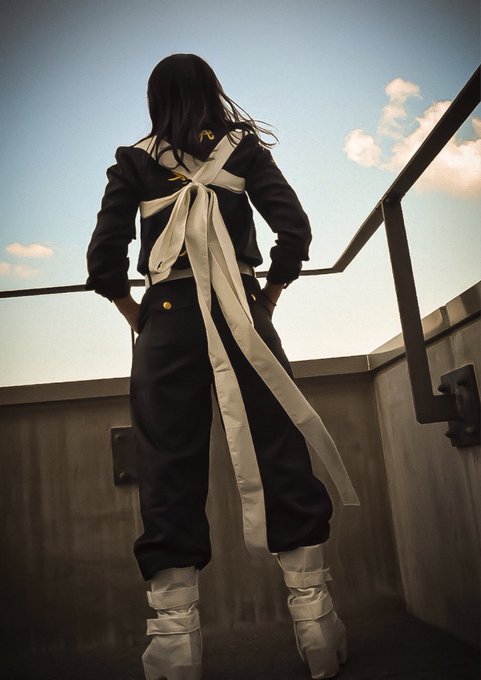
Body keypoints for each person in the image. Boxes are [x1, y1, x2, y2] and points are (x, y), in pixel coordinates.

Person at [86, 53, 360, 680]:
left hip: (166, 319)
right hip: (244, 314)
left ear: (155, 100)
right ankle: (316, 627)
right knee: (280, 451)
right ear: (212, 92)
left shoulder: (132, 161)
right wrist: (268, 297)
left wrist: (139, 315)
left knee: (167, 465)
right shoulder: (244, 149)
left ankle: (175, 646)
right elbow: (295, 232)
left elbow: (103, 261)